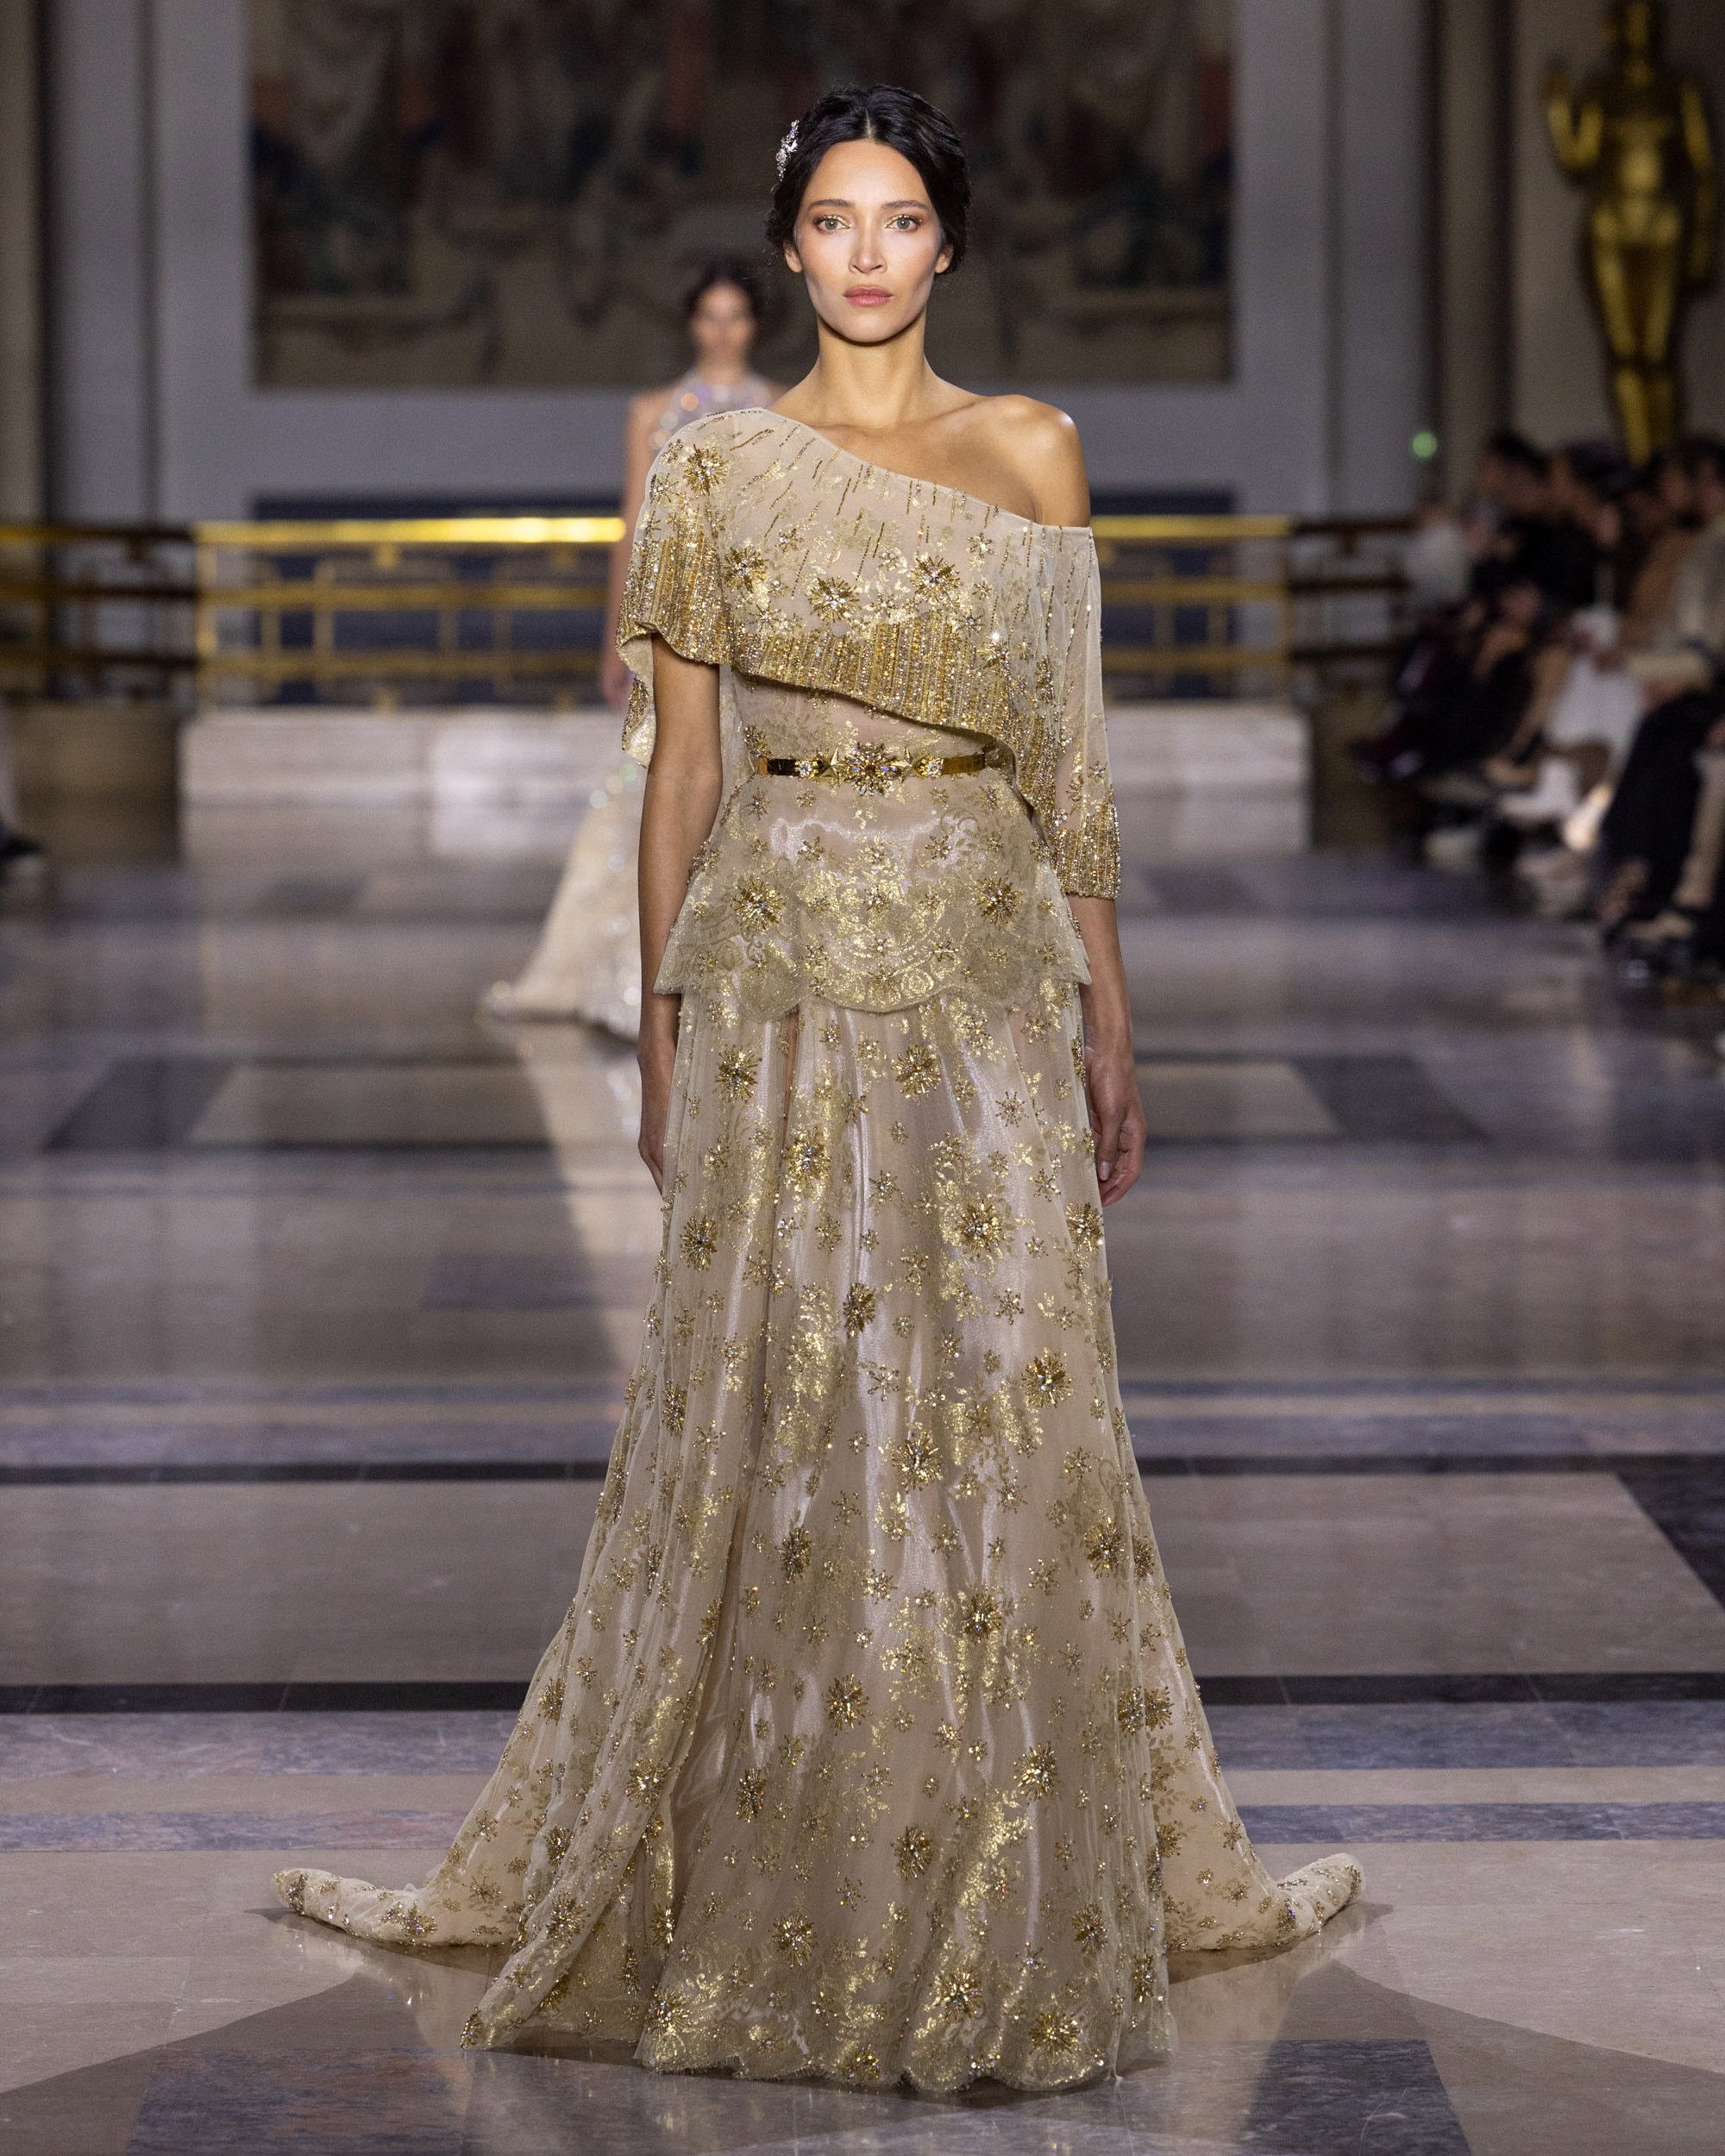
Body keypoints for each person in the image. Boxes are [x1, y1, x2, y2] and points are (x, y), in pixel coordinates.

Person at [277, 85, 1360, 2092]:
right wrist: (657, 1015)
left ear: (949, 242)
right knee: (784, 1402)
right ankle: (792, 1869)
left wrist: (1112, 1007)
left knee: (1005, 1387)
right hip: (775, 962)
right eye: (834, 220)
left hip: (984, 951)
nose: (866, 253)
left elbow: (1070, 759)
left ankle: (1006, 1867)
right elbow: (680, 769)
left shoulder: (1031, 449)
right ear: (788, 250)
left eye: (901, 219)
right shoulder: (716, 466)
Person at [482, 260, 780, 1036]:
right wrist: (616, 638)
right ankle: (637, 976)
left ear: (754, 324)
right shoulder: (652, 411)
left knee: (746, 782)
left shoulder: (784, 409)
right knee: (657, 777)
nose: (723, 331)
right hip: (671, 617)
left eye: (736, 316)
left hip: (752, 624)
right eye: (710, 316)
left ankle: (739, 970)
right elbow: (632, 528)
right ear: (691, 323)